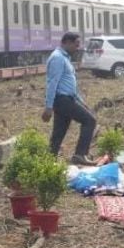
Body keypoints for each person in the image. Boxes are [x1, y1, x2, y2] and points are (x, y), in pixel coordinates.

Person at [42, 31, 97, 165]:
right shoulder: (57, 58)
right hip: (62, 100)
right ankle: (80, 154)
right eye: (76, 44)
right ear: (67, 42)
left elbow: (69, 84)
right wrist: (48, 106)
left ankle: (49, 160)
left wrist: (81, 102)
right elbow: (52, 83)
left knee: (59, 132)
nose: (77, 48)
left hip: (67, 99)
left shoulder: (64, 57)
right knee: (89, 120)